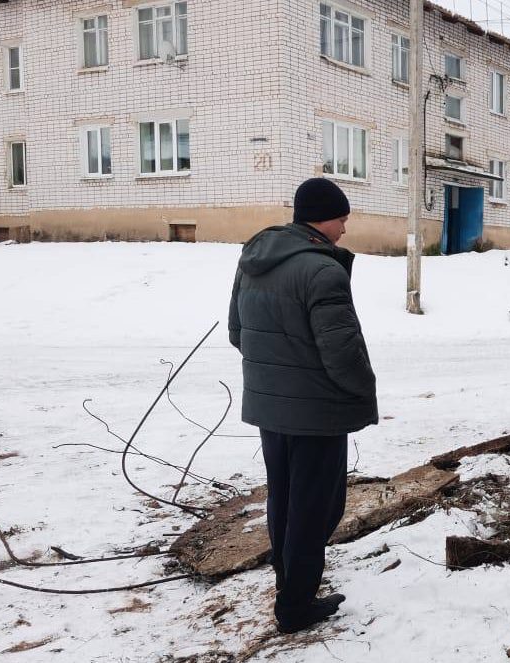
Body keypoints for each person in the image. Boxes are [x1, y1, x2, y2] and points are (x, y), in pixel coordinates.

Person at [228, 177, 378, 634]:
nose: (345, 229)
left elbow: (238, 332)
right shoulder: (322, 270)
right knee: (316, 509)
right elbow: (342, 353)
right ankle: (296, 607)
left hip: (271, 409)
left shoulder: (254, 260)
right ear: (323, 218)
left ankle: (289, 586)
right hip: (316, 413)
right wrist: (362, 390)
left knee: (285, 500)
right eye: (342, 218)